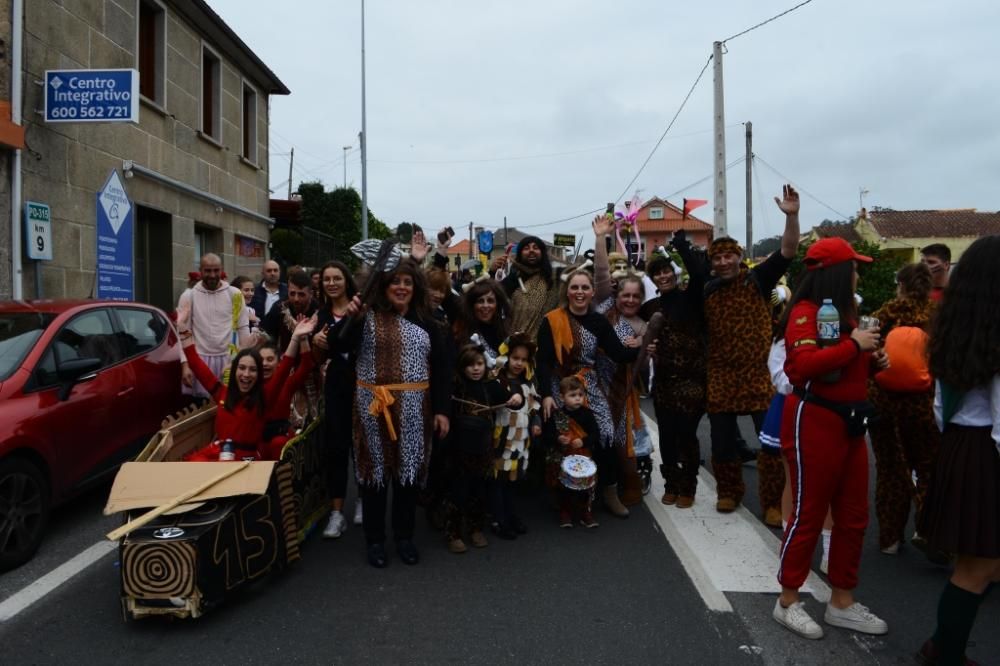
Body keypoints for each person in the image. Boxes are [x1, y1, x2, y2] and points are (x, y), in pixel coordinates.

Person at [773, 237, 889, 640]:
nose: (858, 273)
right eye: (853, 266)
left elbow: (847, 366)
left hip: (851, 424)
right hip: (814, 420)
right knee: (808, 513)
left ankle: (842, 600)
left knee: (854, 515)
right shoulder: (805, 313)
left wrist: (872, 360)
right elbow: (803, 366)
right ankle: (788, 599)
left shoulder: (848, 316)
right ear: (837, 273)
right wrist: (854, 346)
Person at [330, 258, 451, 569]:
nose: (401, 287)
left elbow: (441, 368)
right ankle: (374, 540)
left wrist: (441, 410)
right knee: (374, 476)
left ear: (415, 288)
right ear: (384, 287)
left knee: (408, 475)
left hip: (415, 409)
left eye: (407, 282)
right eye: (395, 281)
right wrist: (351, 318)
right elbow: (336, 344)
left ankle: (404, 537)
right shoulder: (367, 317)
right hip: (373, 407)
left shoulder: (428, 320)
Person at [916, 235, 1000, 665]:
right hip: (986, 451)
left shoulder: (953, 326)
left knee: (979, 564)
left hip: (959, 444)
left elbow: (938, 405)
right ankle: (944, 652)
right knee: (978, 568)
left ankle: (941, 648)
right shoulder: (994, 331)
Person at [704, 185, 799, 514]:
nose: (723, 261)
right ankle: (728, 491)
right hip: (720, 376)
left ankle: (773, 502)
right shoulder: (708, 291)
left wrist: (792, 217)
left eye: (728, 255)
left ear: (739, 257)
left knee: (770, 441)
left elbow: (787, 251)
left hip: (758, 374)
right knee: (721, 442)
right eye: (717, 257)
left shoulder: (758, 279)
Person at [536, 268, 640, 518]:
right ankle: (560, 493)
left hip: (587, 385)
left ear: (592, 292)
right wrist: (547, 395)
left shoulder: (598, 321)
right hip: (558, 385)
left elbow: (618, 353)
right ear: (567, 291)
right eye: (575, 287)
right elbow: (543, 360)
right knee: (561, 436)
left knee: (605, 433)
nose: (580, 292)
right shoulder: (551, 320)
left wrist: (640, 344)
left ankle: (609, 492)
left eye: (585, 288)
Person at [867, 262, 940, 556]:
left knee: (890, 471)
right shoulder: (937, 316)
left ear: (901, 285)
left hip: (884, 405)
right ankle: (929, 530)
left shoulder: (888, 312)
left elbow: (869, 348)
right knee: (927, 469)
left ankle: (889, 539)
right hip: (923, 406)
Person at [179, 317, 315, 462]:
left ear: (258, 375)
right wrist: (183, 330)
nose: (246, 374)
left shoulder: (264, 397)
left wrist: (297, 338)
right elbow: (197, 365)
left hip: (247, 461)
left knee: (277, 445)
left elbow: (286, 367)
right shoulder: (222, 392)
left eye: (252, 370)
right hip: (217, 455)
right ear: (234, 371)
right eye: (242, 368)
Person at [641, 231, 707, 509]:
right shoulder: (652, 307)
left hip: (692, 381)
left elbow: (700, 275)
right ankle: (671, 483)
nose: (663, 277)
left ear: (675, 273)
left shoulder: (691, 298)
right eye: (658, 274)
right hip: (664, 383)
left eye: (667, 271)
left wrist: (681, 246)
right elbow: (629, 316)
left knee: (687, 435)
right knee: (667, 435)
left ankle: (689, 485)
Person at [592, 214, 654, 509]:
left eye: (635, 296)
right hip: (592, 383)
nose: (629, 300)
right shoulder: (603, 303)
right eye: (625, 295)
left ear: (641, 299)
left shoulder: (643, 326)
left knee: (621, 440)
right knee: (594, 438)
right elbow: (601, 273)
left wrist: (643, 348)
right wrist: (601, 238)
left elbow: (644, 371)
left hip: (622, 392)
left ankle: (626, 482)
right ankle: (590, 487)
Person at [444, 345, 519, 553]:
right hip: (459, 449)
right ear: (462, 366)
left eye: (479, 364)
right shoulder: (456, 387)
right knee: (458, 491)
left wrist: (516, 399)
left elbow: (512, 400)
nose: (475, 369)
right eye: (470, 365)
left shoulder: (490, 387)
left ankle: (476, 528)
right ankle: (453, 533)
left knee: (479, 491)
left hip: (483, 449)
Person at [311, 261, 361, 538]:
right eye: (327, 279)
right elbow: (318, 360)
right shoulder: (321, 315)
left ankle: (364, 499)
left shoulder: (360, 311)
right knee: (337, 448)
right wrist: (317, 343)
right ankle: (337, 513)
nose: (331, 283)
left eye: (337, 278)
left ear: (346, 280)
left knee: (361, 444)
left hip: (361, 384)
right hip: (335, 386)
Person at [176, 253, 251, 400]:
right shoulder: (189, 296)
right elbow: (183, 333)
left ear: (221, 270)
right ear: (200, 270)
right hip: (200, 363)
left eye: (216, 270)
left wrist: (246, 360)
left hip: (230, 361)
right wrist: (185, 365)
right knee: (202, 412)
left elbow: (243, 328)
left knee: (229, 407)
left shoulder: (234, 294)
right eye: (208, 271)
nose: (212, 275)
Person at [490, 333, 542, 538]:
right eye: (515, 358)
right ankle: (498, 520)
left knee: (512, 482)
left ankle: (511, 515)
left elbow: (533, 409)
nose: (519, 363)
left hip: (521, 443)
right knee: (498, 482)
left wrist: (536, 424)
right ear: (506, 357)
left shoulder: (527, 384)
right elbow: (491, 403)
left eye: (523, 359)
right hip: (500, 442)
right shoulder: (496, 381)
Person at [551, 376, 601, 528]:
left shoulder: (587, 414)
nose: (578, 399)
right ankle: (565, 512)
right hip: (564, 456)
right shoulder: (558, 414)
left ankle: (586, 513)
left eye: (580, 395)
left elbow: (595, 434)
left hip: (583, 456)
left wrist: (583, 441)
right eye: (572, 395)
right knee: (564, 486)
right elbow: (550, 433)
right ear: (562, 397)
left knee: (586, 487)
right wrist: (559, 438)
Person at [492, 236, 560, 339]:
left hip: (546, 345)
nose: (531, 250)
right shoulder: (512, 280)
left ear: (542, 253)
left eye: (535, 247)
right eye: (526, 248)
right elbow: (490, 297)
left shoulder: (554, 278)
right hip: (515, 346)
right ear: (519, 253)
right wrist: (492, 272)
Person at [261, 269, 320, 354]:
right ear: (287, 291)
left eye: (301, 294)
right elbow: (266, 336)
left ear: (311, 293)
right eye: (292, 294)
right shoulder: (280, 308)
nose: (296, 299)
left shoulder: (320, 311)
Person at [454, 278, 510, 364]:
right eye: (480, 301)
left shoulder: (505, 330)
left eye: (490, 301)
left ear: (497, 304)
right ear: (472, 305)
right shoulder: (463, 332)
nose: (485, 306)